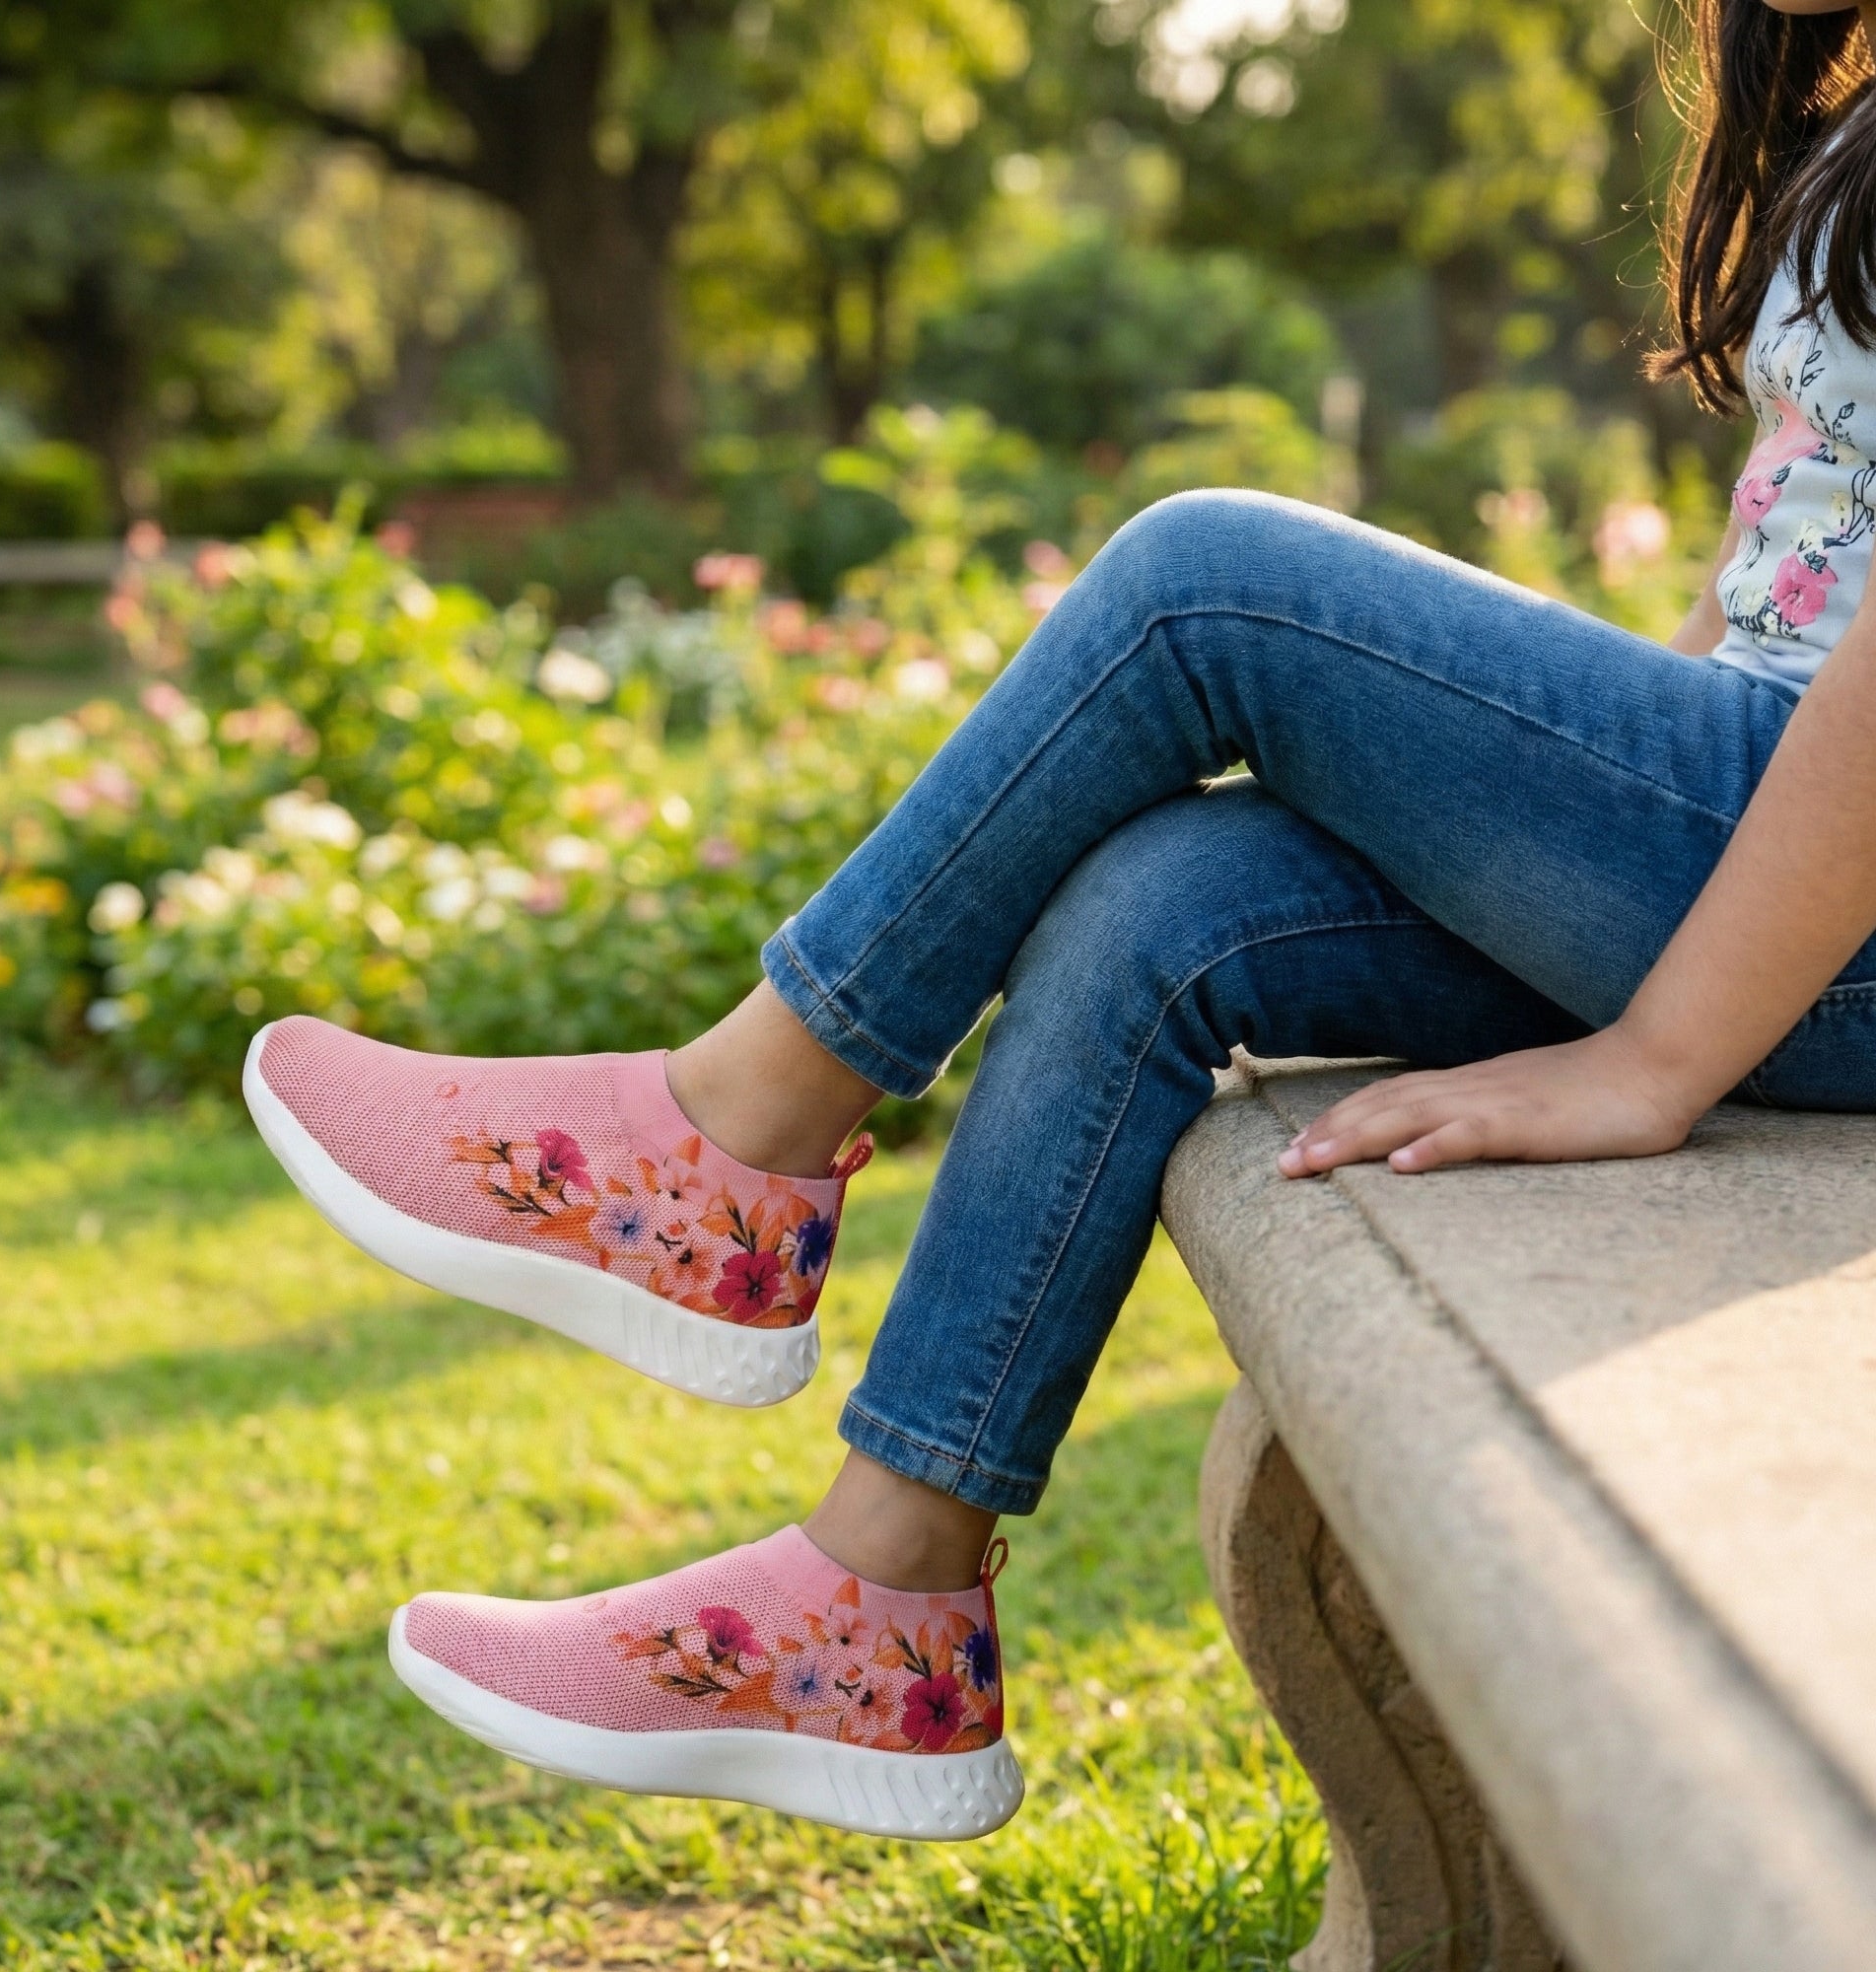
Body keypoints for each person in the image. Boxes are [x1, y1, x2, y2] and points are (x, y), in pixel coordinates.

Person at [243, 0, 1876, 1842]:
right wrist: (1542, 785)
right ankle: (880, 1606)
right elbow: (1796, 581)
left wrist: (1657, 1059)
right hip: (1778, 842)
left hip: (1843, 922)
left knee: (1204, 582)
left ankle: (725, 1154)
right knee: (1163, 893)